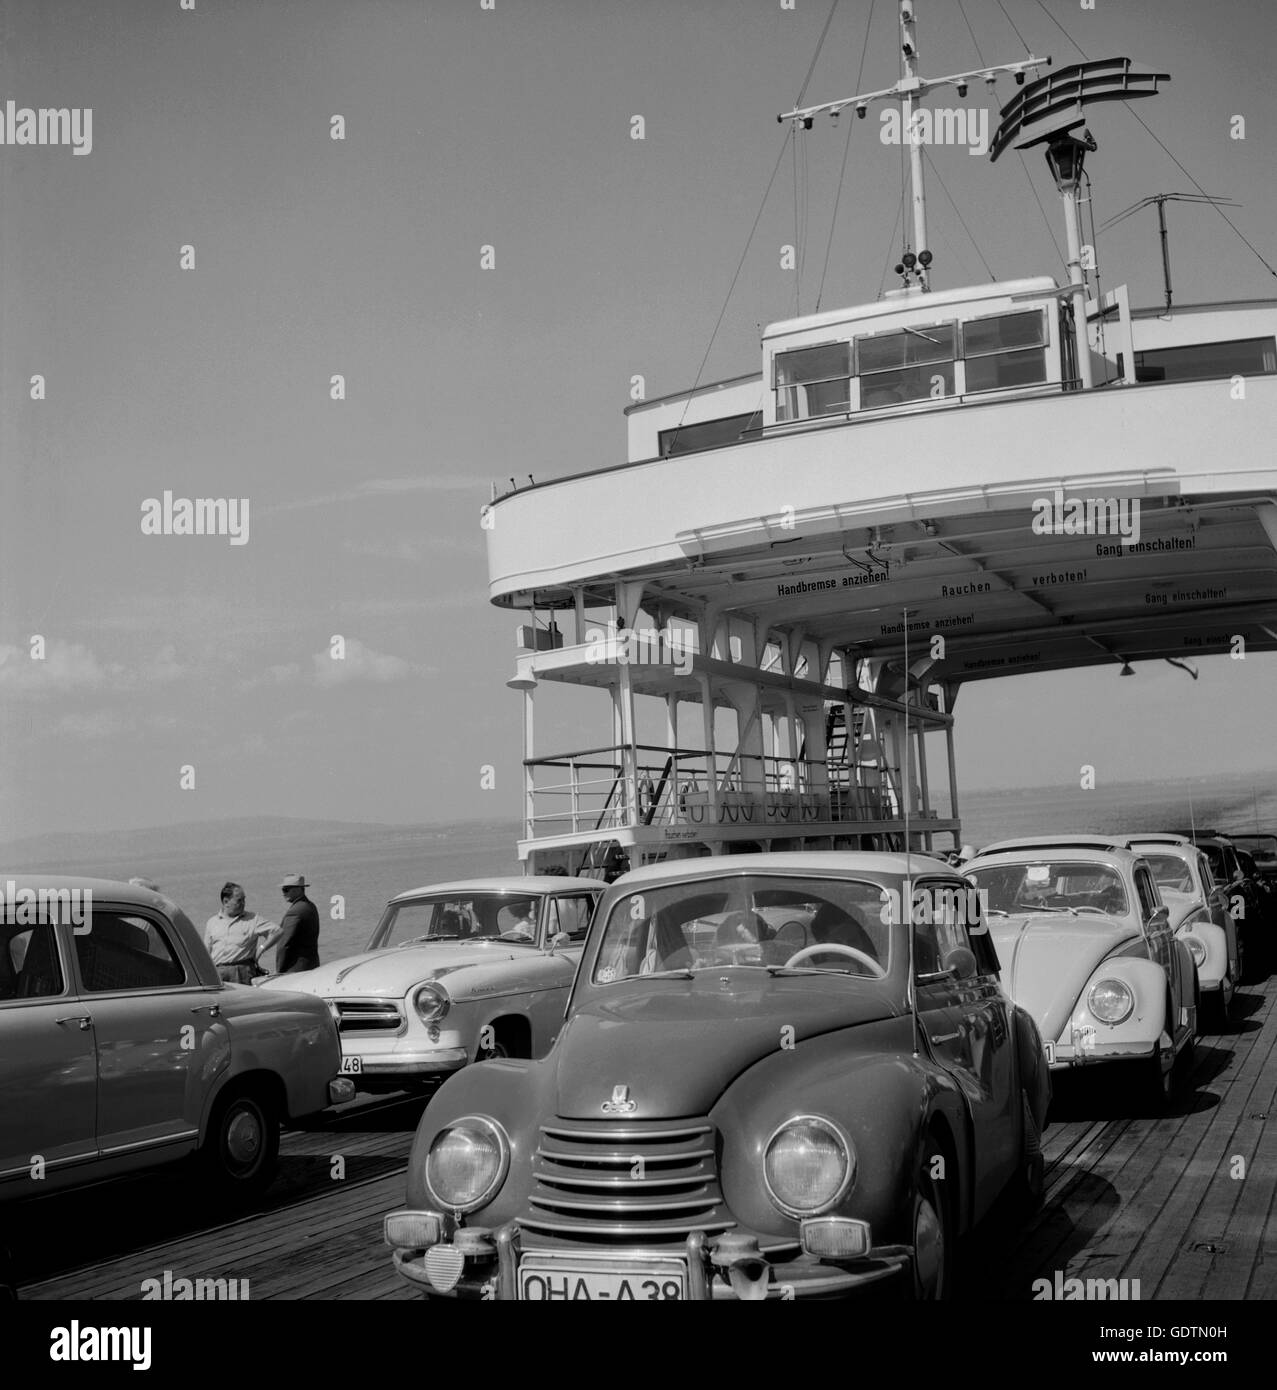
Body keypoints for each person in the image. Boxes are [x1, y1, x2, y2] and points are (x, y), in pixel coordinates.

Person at [205, 882, 280, 984]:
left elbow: (277, 931)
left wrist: (261, 949)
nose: (243, 903)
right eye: (239, 900)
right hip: (218, 972)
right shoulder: (212, 922)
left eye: (244, 899)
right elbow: (206, 951)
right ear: (226, 901)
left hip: (241, 972)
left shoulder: (252, 919)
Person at [274, 873, 321, 974]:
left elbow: (284, 944)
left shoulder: (295, 912)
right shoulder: (310, 906)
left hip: (295, 970)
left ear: (298, 889)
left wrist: (279, 970)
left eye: (286, 889)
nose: (283, 893)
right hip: (312, 966)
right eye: (283, 889)